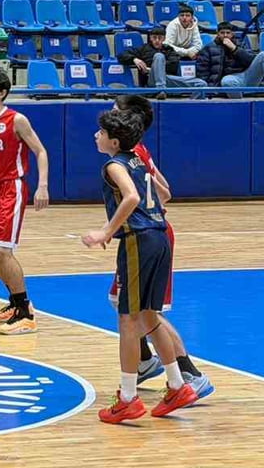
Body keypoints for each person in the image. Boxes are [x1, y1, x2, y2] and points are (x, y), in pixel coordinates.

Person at [83, 109, 198, 424]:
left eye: (101, 132)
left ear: (114, 141)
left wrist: (106, 232)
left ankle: (128, 398)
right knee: (149, 316)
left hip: (140, 241)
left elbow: (132, 197)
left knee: (128, 320)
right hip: (159, 236)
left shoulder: (114, 165)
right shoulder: (138, 160)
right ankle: (177, 385)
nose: (96, 135)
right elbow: (163, 194)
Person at [110, 95, 213, 400]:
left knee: (146, 314)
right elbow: (165, 192)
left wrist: (109, 227)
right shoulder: (137, 152)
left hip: (149, 234)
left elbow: (162, 195)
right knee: (119, 301)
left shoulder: (132, 156)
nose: (107, 116)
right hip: (146, 232)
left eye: (114, 111)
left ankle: (189, 374)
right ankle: (143, 361)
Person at [0, 70, 50, 335]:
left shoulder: (16, 119)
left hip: (11, 187)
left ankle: (26, 313)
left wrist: (42, 186)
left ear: (2, 92)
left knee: (3, 250)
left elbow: (40, 151)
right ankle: (15, 302)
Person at [195, 22, 264, 92]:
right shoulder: (209, 48)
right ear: (217, 34)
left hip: (247, 76)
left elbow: (250, 60)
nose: (225, 35)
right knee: (227, 81)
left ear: (232, 34)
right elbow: (202, 70)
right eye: (222, 33)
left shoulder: (241, 43)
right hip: (229, 80)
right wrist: (209, 88)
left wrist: (234, 49)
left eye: (228, 33)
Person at [119, 26, 206, 91]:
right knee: (159, 56)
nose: (157, 40)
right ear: (150, 38)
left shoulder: (169, 49)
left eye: (160, 38)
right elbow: (122, 55)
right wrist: (134, 59)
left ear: (164, 39)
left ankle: (162, 89)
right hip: (151, 81)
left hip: (167, 79)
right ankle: (161, 89)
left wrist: (153, 69)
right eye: (154, 37)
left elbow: (173, 66)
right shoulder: (143, 49)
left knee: (201, 84)